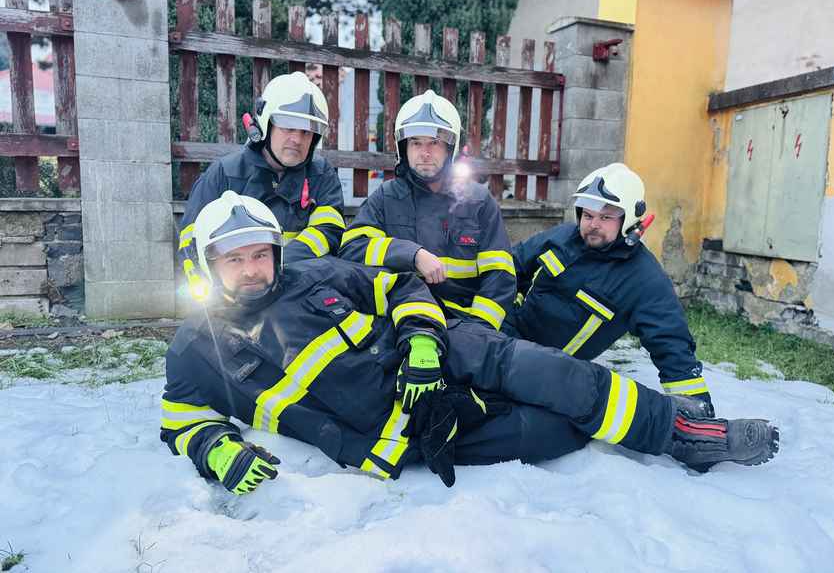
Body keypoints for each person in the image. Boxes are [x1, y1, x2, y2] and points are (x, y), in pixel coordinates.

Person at [159, 191, 778, 494]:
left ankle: (686, 434)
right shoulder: (195, 348)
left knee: (558, 375)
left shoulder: (311, 273)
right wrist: (215, 450)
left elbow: (399, 287)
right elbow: (181, 418)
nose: (252, 270)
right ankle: (635, 422)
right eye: (234, 259)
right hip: (413, 430)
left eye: (260, 254)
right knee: (561, 430)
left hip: (447, 349)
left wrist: (422, 342)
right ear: (206, 265)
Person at [507, 163, 715, 413]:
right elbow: (511, 266)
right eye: (588, 215)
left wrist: (698, 412)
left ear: (629, 220)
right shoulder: (561, 237)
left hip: (547, 372)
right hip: (504, 338)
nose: (593, 224)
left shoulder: (643, 280)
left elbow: (672, 346)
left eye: (605, 217)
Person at [338, 90, 515, 332]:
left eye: (434, 142)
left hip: (466, 322)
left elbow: (500, 276)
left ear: (450, 148)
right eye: (416, 143)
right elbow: (352, 248)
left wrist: (479, 330)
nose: (425, 153)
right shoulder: (386, 197)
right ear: (403, 148)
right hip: (403, 320)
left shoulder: (478, 201)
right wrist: (412, 255)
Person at [178, 72, 345, 301]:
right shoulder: (224, 173)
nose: (297, 139)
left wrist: (278, 267)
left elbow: (328, 231)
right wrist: (201, 284)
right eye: (288, 128)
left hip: (299, 290)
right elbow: (191, 239)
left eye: (306, 132)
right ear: (266, 125)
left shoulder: (321, 175)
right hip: (235, 295)